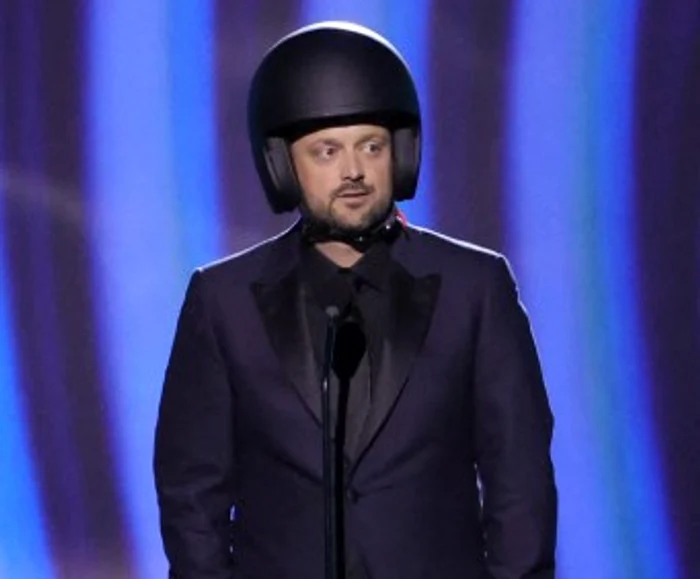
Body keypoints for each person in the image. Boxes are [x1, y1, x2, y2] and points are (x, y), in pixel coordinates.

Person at [154, 21, 557, 579]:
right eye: (326, 151)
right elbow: (191, 493)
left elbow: (521, 482)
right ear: (281, 164)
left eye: (371, 146)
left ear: (403, 153)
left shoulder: (476, 288)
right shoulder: (224, 303)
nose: (353, 171)